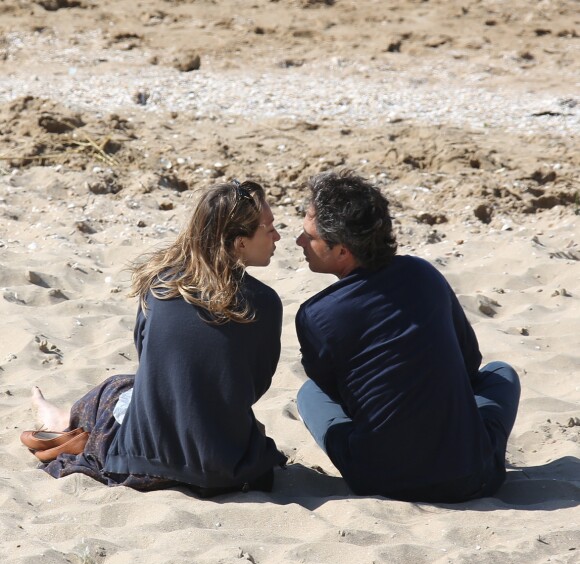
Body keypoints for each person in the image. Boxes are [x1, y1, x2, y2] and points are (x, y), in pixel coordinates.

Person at [21, 179, 287, 496]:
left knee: (119, 387)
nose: (277, 236)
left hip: (144, 465)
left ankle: (62, 420)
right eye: (268, 228)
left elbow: (147, 357)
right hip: (225, 470)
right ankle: (64, 419)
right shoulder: (265, 302)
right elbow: (255, 386)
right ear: (240, 243)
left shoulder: (161, 285)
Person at [294, 169, 521, 503]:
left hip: (380, 480)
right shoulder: (423, 274)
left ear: (341, 251)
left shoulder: (316, 314)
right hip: (472, 477)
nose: (298, 242)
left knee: (309, 392)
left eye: (308, 236)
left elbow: (334, 392)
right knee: (501, 374)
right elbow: (470, 364)